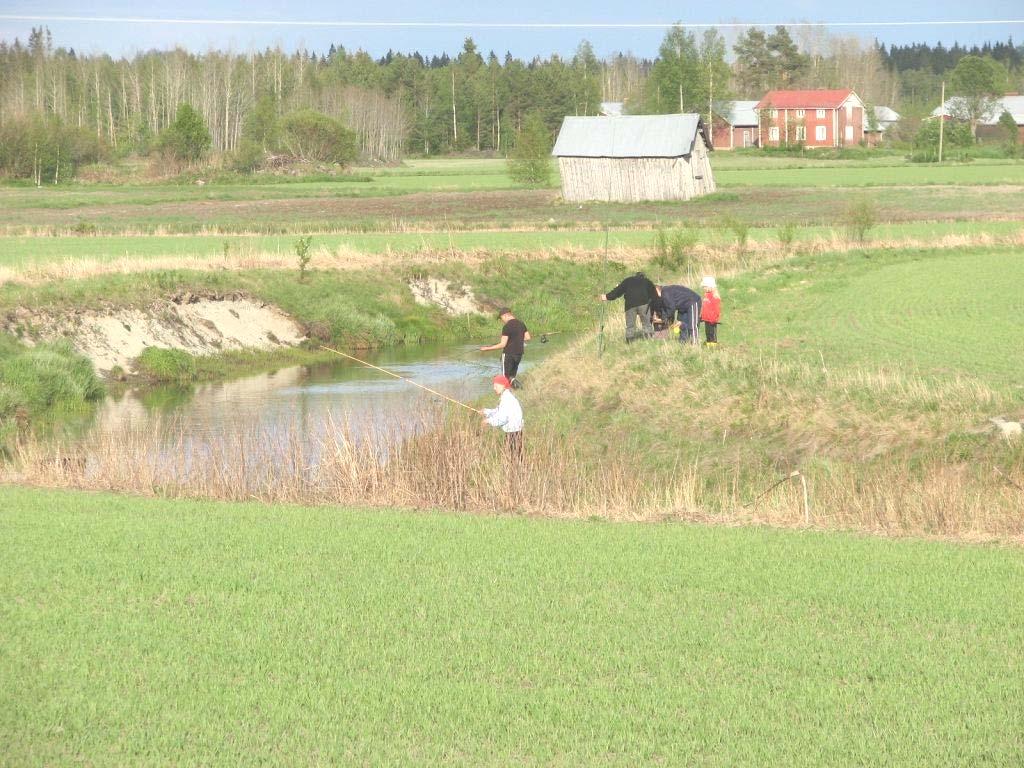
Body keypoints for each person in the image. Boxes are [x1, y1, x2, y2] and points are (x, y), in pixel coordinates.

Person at [599, 272, 657, 343]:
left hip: (630, 305)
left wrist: (607, 297)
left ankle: (629, 342)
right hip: (643, 304)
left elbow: (618, 291)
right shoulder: (647, 281)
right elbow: (654, 295)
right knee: (646, 323)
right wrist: (655, 307)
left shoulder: (628, 280)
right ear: (643, 277)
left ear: (635, 276)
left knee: (630, 325)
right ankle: (649, 340)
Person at [480, 308, 530, 388]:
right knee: (512, 376)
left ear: (505, 315)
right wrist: (516, 338)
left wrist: (487, 348)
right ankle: (514, 389)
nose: (502, 320)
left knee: (505, 377)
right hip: (519, 354)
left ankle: (509, 391)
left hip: (508, 354)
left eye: (501, 318)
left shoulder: (507, 326)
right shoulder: (521, 323)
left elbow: (502, 344)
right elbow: (528, 337)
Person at [482, 375, 524, 460]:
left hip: (513, 433)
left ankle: (517, 472)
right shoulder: (506, 396)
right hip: (515, 431)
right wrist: (486, 411)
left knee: (514, 459)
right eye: (494, 386)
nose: (494, 388)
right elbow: (499, 411)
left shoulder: (507, 399)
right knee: (516, 458)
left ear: (503, 385)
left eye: (496, 386)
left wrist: (488, 421)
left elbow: (502, 418)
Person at [700, 276, 722, 346]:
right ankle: (708, 343)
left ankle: (713, 345)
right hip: (706, 318)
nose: (704, 288)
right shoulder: (706, 295)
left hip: (712, 319)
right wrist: (702, 316)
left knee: (712, 333)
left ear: (710, 286)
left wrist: (715, 318)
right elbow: (705, 307)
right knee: (707, 332)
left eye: (705, 287)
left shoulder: (715, 296)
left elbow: (716, 309)